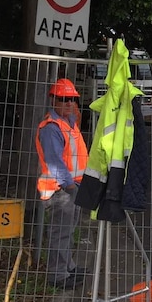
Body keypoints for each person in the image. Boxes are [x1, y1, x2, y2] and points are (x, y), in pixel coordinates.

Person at [35, 78, 90, 290]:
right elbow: (54, 162)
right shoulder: (52, 128)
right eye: (64, 99)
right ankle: (58, 275)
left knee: (68, 230)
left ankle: (68, 267)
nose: (68, 103)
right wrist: (70, 187)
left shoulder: (69, 123)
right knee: (61, 231)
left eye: (72, 99)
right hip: (61, 189)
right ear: (54, 100)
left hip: (71, 187)